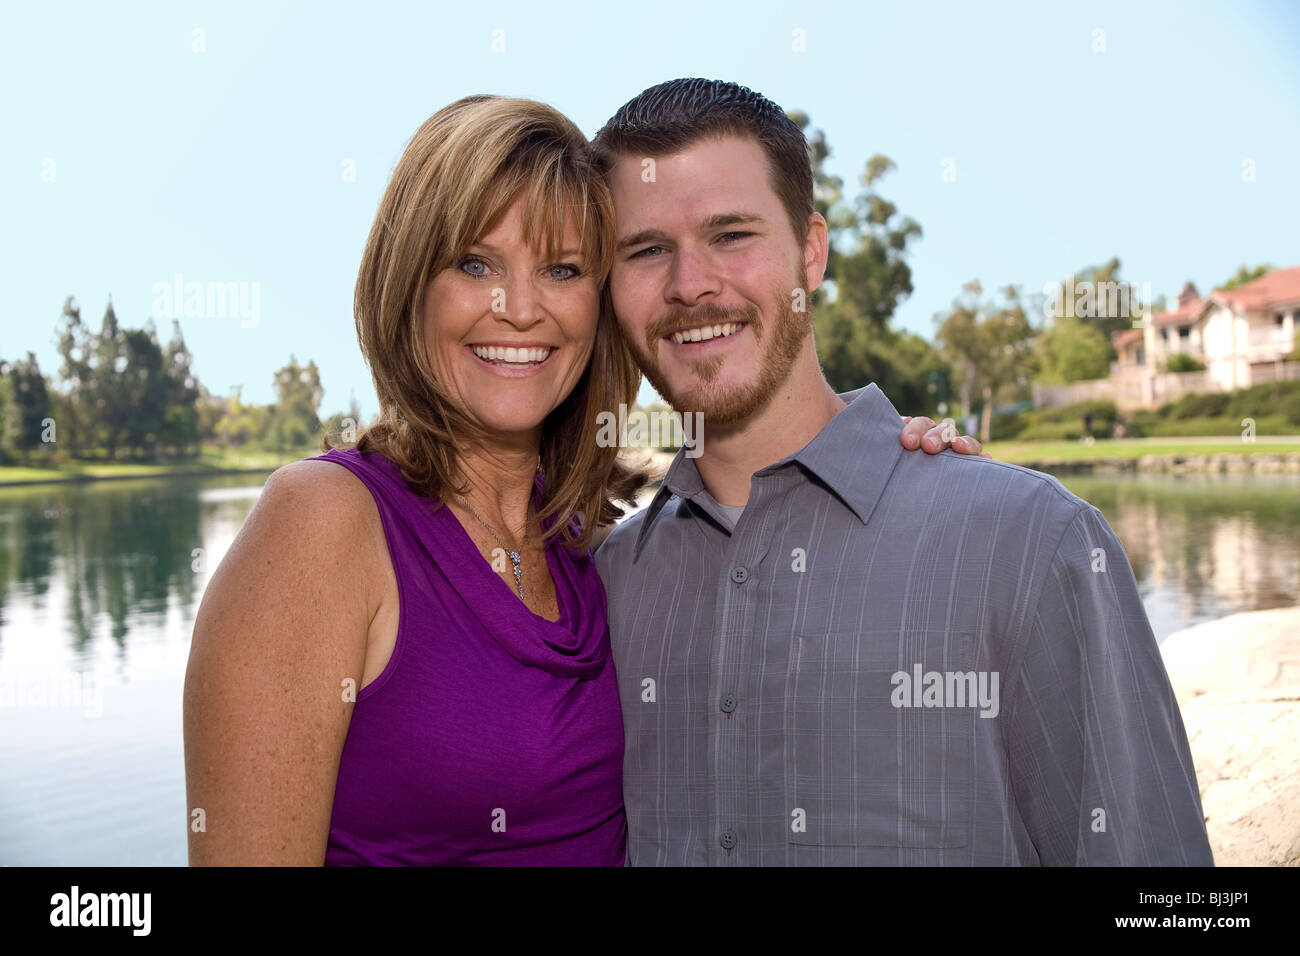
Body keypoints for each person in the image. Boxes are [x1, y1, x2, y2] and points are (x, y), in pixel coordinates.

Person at [181, 94, 982, 866]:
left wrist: (900, 467)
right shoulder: (322, 523)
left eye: (563, 270)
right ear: (407, 284)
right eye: (474, 262)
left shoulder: (597, 551)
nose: (521, 309)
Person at [591, 78, 1213, 866]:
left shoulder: (1029, 542)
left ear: (811, 251)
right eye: (647, 250)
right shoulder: (610, 584)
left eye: (732, 235)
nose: (690, 284)